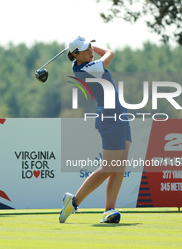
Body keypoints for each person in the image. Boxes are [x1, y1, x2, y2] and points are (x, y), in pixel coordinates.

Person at [59, 36, 132, 224]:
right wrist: (97, 46)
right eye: (86, 49)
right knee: (109, 166)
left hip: (119, 114)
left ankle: (109, 210)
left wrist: (89, 45)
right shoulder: (88, 69)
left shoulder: (83, 64)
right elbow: (110, 53)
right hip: (110, 117)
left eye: (91, 47)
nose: (91, 51)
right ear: (76, 54)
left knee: (119, 166)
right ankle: (73, 202)